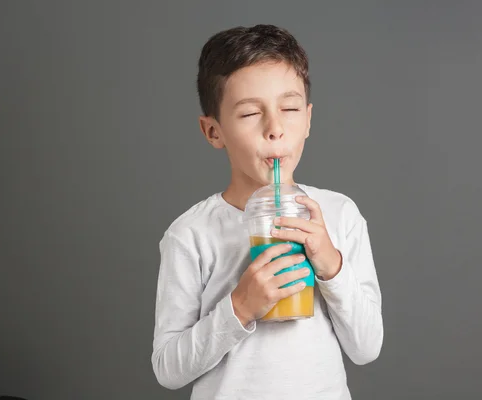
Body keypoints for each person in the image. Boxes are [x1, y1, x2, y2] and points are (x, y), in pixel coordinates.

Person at [151, 24, 383, 400]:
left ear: (307, 119)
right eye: (249, 114)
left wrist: (331, 265)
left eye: (289, 109)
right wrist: (239, 307)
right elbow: (168, 369)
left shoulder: (339, 214)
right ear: (213, 131)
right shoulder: (191, 234)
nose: (275, 129)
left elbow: (367, 347)